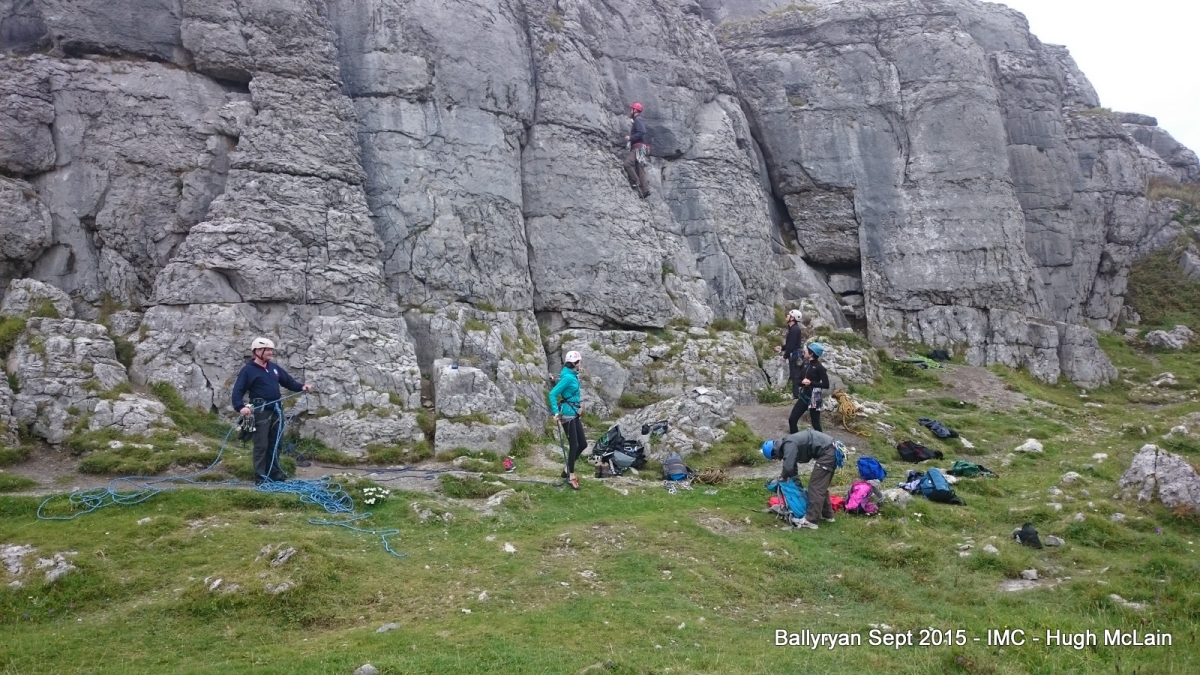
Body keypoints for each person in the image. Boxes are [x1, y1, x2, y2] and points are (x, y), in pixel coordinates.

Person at [231, 337, 311, 484]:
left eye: (271, 350)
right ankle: (261, 478)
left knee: (276, 444)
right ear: (257, 351)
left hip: (276, 411)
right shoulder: (248, 370)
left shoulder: (273, 368)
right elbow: (237, 391)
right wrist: (240, 407)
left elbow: (288, 382)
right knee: (261, 445)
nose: (270, 352)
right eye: (267, 350)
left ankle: (274, 475)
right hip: (260, 412)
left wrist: (301, 387)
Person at [761, 430, 838, 529]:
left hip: (828, 452)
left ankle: (811, 520)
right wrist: (789, 478)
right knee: (820, 486)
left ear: (774, 451)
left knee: (815, 487)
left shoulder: (789, 444)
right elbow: (792, 467)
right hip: (832, 449)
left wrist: (782, 477)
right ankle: (828, 515)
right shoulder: (788, 444)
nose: (778, 459)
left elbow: (788, 467)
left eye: (775, 457)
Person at [548, 350, 586, 489]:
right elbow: (552, 394)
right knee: (574, 445)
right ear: (575, 363)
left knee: (583, 444)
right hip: (568, 416)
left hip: (574, 413)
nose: (580, 363)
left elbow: (572, 395)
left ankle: (567, 469)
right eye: (579, 361)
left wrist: (579, 407)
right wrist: (555, 412)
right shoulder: (568, 378)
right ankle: (571, 476)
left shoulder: (572, 375)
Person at [789, 342, 829, 433]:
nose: (804, 351)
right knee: (792, 420)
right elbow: (799, 380)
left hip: (816, 397)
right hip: (804, 396)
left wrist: (811, 383)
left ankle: (822, 441)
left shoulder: (819, 367)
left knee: (816, 424)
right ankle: (794, 440)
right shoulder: (805, 364)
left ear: (811, 353)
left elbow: (826, 385)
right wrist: (802, 383)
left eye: (807, 350)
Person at [774, 309, 804, 399]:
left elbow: (791, 346)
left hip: (795, 355)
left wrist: (785, 356)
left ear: (792, 318)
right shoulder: (793, 328)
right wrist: (781, 348)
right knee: (795, 375)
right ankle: (797, 395)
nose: (786, 316)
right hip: (795, 354)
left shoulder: (794, 330)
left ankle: (797, 396)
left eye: (789, 315)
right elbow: (790, 344)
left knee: (795, 375)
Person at [623, 102, 651, 198]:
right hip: (641, 147)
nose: (630, 111)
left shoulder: (638, 119)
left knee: (627, 163)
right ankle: (645, 190)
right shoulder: (637, 120)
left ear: (635, 110)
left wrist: (630, 138)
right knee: (640, 167)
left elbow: (642, 131)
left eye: (632, 109)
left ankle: (636, 181)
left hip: (637, 147)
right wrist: (633, 122)